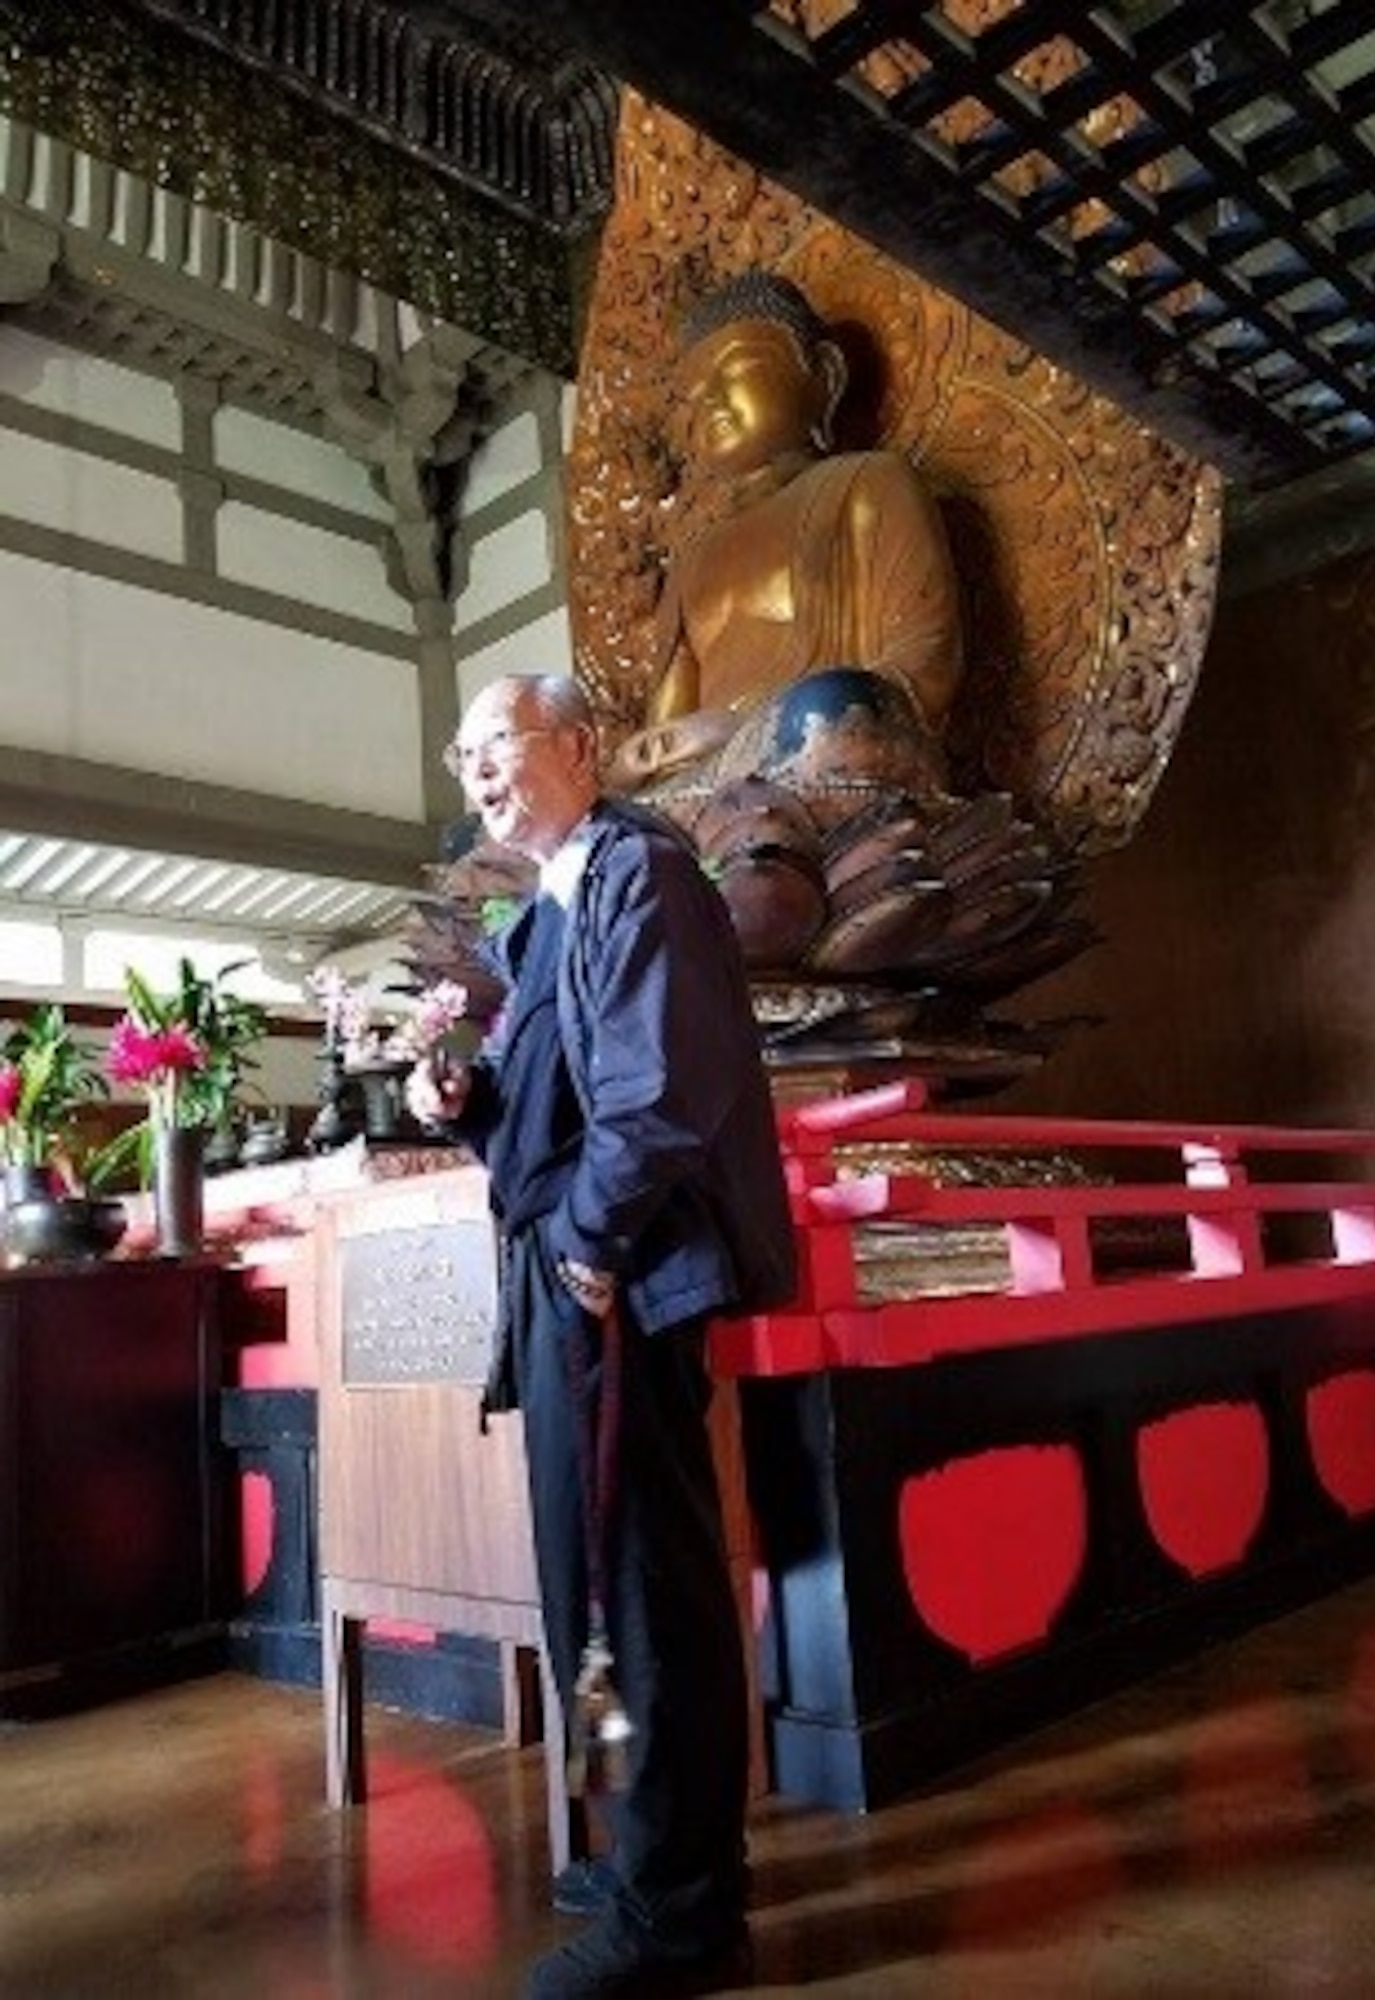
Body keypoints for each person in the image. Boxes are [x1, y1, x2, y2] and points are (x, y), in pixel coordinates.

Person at [407, 672, 796, 1999]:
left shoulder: (640, 873)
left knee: (645, 1588)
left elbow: (661, 1093)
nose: (475, 771)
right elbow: (543, 1106)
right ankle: (643, 1843)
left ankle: (682, 1914)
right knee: (589, 1582)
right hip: (568, 1276)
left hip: (618, 1276)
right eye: (460, 753)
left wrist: (583, 1243)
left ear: (579, 747)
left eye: (498, 743)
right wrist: (461, 1095)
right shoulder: (539, 916)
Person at [609, 267, 965, 792]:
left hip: (827, 755)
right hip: (717, 787)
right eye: (696, 394)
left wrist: (770, 724)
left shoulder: (868, 482)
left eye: (737, 371)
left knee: (828, 706)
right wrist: (633, 769)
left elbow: (928, 654)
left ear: (823, 375)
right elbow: (665, 738)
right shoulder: (690, 561)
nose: (712, 401)